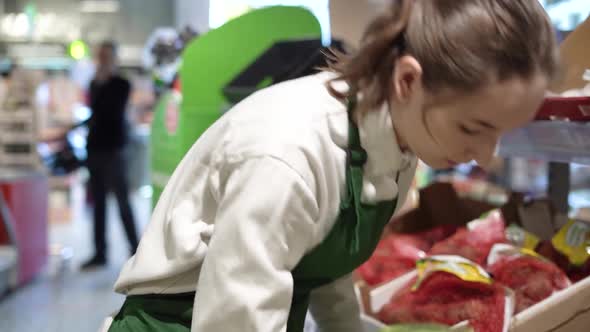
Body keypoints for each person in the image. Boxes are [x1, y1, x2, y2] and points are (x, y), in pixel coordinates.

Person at [102, 1, 558, 331]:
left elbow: (322, 262)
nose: (485, 154)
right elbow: (233, 320)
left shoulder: (397, 141)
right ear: (407, 81)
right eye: (473, 127)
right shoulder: (289, 155)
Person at [81, 41, 139, 269]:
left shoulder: (121, 84)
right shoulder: (94, 83)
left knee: (123, 202)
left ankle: (136, 249)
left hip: (115, 150)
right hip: (95, 149)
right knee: (99, 204)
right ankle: (100, 252)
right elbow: (94, 113)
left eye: (106, 56)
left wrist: (102, 83)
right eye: (100, 56)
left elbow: (112, 113)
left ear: (114, 58)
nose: (102, 60)